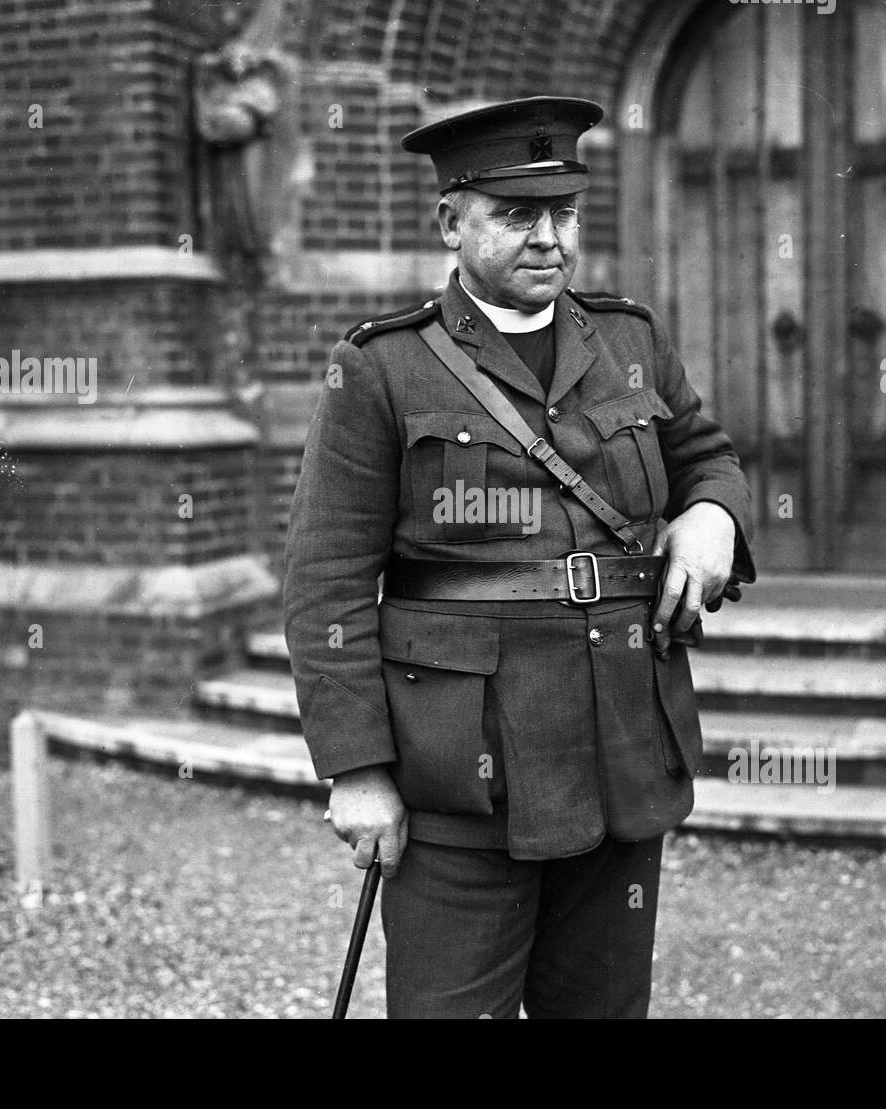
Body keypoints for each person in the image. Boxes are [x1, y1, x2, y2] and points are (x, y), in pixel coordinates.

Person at [283, 96, 755, 1019]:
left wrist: (711, 517)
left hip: (621, 746)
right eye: (516, 215)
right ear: (452, 224)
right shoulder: (380, 368)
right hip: (465, 773)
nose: (549, 238)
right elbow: (326, 579)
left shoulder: (629, 340)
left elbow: (708, 455)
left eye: (564, 214)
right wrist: (356, 769)